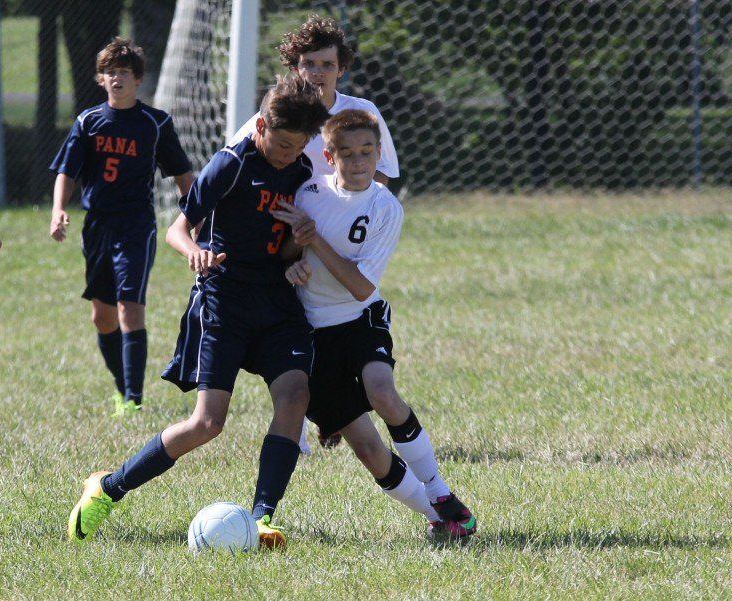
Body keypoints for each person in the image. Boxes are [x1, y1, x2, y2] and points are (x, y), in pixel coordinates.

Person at [66, 74, 329, 549]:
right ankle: (108, 487)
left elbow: (287, 244)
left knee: (294, 395)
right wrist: (195, 251)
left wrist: (299, 245)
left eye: (300, 146)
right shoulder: (231, 164)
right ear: (261, 126)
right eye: (285, 144)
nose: (291, 154)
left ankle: (263, 516)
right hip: (223, 300)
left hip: (276, 302)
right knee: (208, 423)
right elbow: (178, 229)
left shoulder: (301, 168)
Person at [274, 109, 476, 539]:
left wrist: (314, 242)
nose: (358, 160)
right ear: (329, 157)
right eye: (346, 153)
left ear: (379, 154)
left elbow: (362, 287)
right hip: (311, 333)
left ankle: (439, 490)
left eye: (367, 151)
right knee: (367, 447)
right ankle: (438, 518)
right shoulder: (307, 193)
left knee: (381, 389)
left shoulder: (386, 208)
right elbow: (286, 253)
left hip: (360, 317)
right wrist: (291, 263)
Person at [231, 14, 401, 452]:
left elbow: (380, 184)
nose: (317, 72)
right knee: (291, 336)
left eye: (327, 64)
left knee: (338, 338)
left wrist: (343, 237)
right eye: (309, 63)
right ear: (295, 68)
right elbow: (233, 165)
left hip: (341, 252)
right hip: (285, 247)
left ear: (340, 68)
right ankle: (302, 426)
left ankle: (333, 412)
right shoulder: (273, 117)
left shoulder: (361, 115)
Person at [49, 37, 194, 415]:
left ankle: (133, 399)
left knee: (131, 307)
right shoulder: (89, 121)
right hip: (97, 225)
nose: (117, 79)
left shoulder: (154, 123)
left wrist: (194, 218)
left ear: (137, 79)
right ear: (100, 79)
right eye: (110, 72)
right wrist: (57, 210)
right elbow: (67, 169)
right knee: (102, 315)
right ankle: (121, 386)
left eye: (124, 73)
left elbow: (182, 173)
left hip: (136, 225)